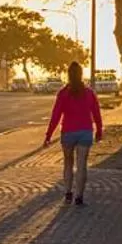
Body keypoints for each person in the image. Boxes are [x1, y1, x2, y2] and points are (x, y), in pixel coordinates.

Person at [44, 61, 103, 206]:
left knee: (68, 163)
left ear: (68, 75)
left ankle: (68, 194)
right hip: (85, 132)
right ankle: (79, 197)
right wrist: (99, 130)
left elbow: (56, 116)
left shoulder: (63, 93)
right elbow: (96, 113)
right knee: (82, 165)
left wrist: (48, 135)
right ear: (81, 74)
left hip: (68, 132)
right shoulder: (89, 93)